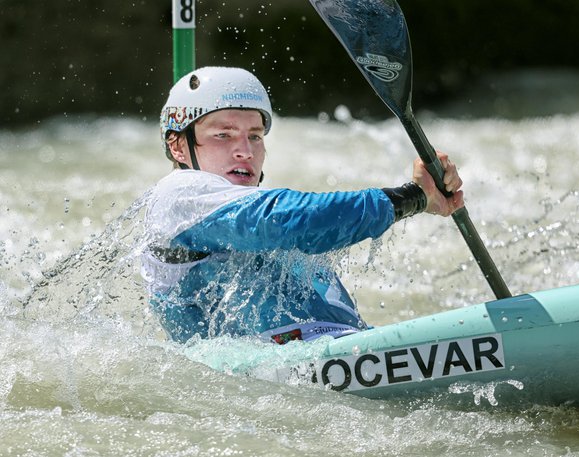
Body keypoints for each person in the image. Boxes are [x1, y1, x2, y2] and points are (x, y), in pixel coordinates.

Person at [141, 66, 464, 344]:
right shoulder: (180, 196)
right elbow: (286, 220)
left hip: (327, 354)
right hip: (255, 377)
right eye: (223, 135)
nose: (245, 151)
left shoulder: (241, 207)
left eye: (255, 136)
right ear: (179, 147)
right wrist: (412, 197)